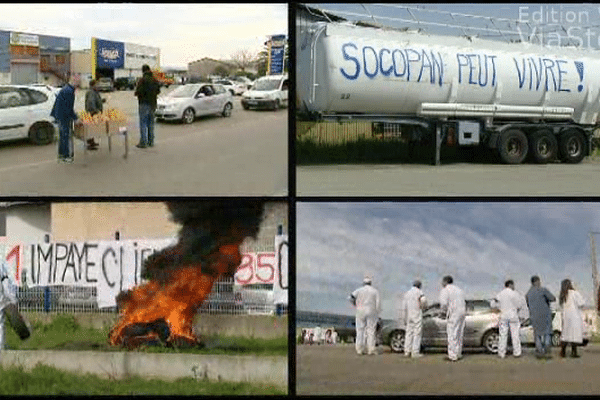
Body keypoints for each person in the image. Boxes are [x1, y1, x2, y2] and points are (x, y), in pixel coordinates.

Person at [51, 75, 80, 163]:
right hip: (63, 116)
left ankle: (61, 154)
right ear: (75, 83)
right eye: (78, 83)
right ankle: (65, 156)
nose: (79, 85)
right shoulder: (69, 92)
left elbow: (67, 107)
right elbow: (68, 108)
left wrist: (74, 115)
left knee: (62, 136)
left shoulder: (66, 89)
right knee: (65, 136)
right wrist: (76, 118)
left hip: (60, 115)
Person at [349, 274, 381, 356]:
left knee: (360, 330)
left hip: (360, 310)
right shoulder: (375, 291)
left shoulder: (359, 290)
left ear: (363, 283)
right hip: (371, 311)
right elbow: (378, 304)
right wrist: (377, 313)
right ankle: (371, 349)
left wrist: (355, 304)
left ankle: (360, 349)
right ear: (371, 283)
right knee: (371, 330)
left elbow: (350, 297)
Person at [526, 276, 556, 359]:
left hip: (534, 316)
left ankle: (540, 351)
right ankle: (546, 350)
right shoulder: (543, 290)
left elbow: (528, 305)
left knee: (537, 335)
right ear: (537, 281)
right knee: (547, 333)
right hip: (545, 315)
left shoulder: (528, 293)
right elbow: (552, 298)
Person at [493, 280, 524, 359]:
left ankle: (501, 353)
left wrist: (499, 308)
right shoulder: (515, 293)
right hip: (513, 315)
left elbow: (493, 304)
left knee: (503, 335)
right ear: (510, 285)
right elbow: (520, 305)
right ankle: (517, 352)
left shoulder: (500, 293)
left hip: (503, 315)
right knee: (515, 334)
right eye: (513, 285)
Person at [439, 275, 466, 362]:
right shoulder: (459, 290)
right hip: (462, 312)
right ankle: (458, 353)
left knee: (452, 334)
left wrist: (442, 313)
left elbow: (443, 303)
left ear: (445, 281)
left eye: (442, 281)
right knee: (459, 334)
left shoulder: (446, 290)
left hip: (454, 313)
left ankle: (452, 356)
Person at [134, 64, 160, 148]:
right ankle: (151, 141)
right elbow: (158, 91)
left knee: (143, 123)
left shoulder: (142, 80)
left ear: (143, 71)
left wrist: (137, 94)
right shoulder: (155, 80)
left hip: (144, 104)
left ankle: (143, 143)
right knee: (151, 123)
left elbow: (139, 91)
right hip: (153, 104)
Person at [559, 279, 586, 358]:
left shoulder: (563, 295)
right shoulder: (574, 293)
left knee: (566, 334)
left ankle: (562, 352)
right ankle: (574, 353)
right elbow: (581, 303)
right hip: (574, 317)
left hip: (566, 317)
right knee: (574, 335)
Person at [403, 280, 427, 358]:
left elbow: (404, 306)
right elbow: (423, 301)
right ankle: (415, 352)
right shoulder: (419, 292)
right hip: (416, 314)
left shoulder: (407, 293)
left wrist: (404, 317)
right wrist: (423, 308)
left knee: (409, 333)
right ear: (419, 286)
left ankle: (407, 351)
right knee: (417, 333)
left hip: (409, 315)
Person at [84, 79, 104, 150]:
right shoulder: (91, 92)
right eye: (97, 84)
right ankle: (90, 144)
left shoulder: (94, 92)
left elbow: (95, 100)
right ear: (93, 85)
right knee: (91, 129)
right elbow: (90, 102)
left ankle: (91, 142)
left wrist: (101, 101)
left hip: (93, 112)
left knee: (92, 128)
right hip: (93, 113)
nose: (98, 86)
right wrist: (96, 111)